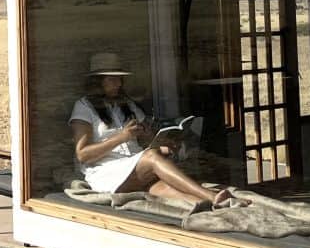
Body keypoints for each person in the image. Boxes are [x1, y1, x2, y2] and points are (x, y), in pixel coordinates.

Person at [69, 52, 234, 208]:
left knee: (165, 188)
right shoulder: (84, 107)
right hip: (108, 173)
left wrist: (163, 142)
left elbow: (146, 137)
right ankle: (210, 195)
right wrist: (122, 137)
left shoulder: (126, 105)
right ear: (97, 82)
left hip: (135, 166)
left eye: (120, 79)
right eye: (112, 80)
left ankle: (217, 205)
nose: (118, 84)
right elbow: (83, 155)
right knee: (152, 157)